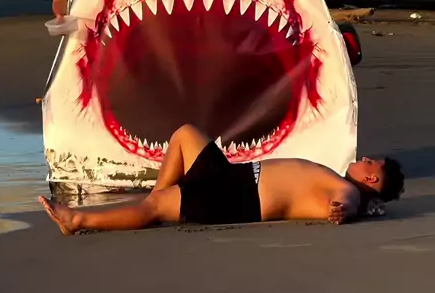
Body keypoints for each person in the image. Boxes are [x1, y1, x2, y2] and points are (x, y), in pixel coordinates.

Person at [39, 124, 404, 235]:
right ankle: (157, 203)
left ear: (372, 177)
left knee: (156, 206)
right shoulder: (338, 180)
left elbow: (346, 202)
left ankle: (79, 220)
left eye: (370, 162)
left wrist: (344, 210)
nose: (364, 159)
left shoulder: (344, 189)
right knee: (184, 134)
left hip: (241, 198)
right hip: (234, 177)